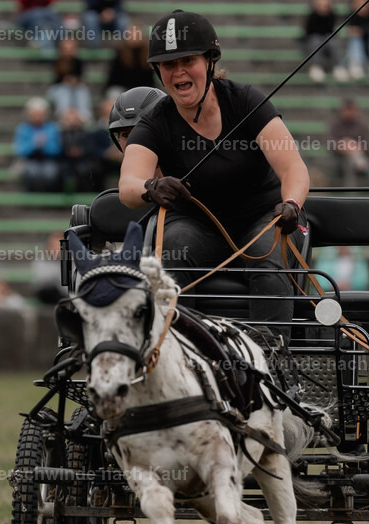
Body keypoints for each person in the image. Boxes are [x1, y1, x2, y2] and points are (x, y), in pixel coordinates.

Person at [119, 10, 310, 343]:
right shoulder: (154, 122)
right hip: (197, 226)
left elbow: (293, 167)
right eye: (167, 65)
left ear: (209, 61)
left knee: (269, 252)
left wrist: (291, 203)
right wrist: (151, 187)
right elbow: (128, 186)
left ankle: (273, 366)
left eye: (188, 60)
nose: (178, 72)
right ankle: (179, 356)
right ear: (158, 72)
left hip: (262, 218)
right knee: (173, 248)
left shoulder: (246, 101)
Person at [12, 97, 63, 192]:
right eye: (34, 114)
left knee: (51, 173)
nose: (37, 117)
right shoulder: (23, 129)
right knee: (31, 172)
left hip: (48, 160)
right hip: (29, 160)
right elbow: (19, 150)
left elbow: (56, 149)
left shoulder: (52, 128)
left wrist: (44, 145)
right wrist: (34, 144)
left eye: (40, 114)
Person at [328, 99, 369, 186]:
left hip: (362, 155)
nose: (348, 113)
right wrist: (343, 145)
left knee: (350, 159)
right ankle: (362, 166)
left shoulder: (364, 124)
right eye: (346, 110)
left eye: (351, 109)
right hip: (339, 159)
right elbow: (331, 143)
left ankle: (351, 190)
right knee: (348, 160)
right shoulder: (336, 124)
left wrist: (354, 146)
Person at [47, 38, 93, 122]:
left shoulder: (78, 62)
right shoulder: (57, 61)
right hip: (59, 89)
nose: (68, 51)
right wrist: (66, 81)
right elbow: (56, 80)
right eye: (66, 49)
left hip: (75, 88)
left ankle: (84, 116)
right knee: (64, 91)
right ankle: (63, 116)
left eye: (71, 48)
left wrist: (75, 81)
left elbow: (81, 78)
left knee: (82, 91)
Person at [302, 0, 346, 83]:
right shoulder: (312, 16)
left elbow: (330, 29)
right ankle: (316, 66)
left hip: (326, 39)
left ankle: (338, 66)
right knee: (315, 40)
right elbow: (310, 31)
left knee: (333, 42)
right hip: (315, 40)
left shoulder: (331, 16)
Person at [60, 108, 103, 191]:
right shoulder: (61, 134)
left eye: (74, 119)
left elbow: (91, 148)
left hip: (84, 161)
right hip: (66, 162)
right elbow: (58, 148)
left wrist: (81, 151)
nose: (72, 122)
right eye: (68, 120)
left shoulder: (86, 133)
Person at [105, 25, 153, 92]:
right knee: (114, 93)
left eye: (136, 35)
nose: (133, 37)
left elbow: (149, 80)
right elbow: (114, 78)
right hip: (122, 89)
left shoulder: (147, 54)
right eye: (131, 35)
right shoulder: (120, 53)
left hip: (142, 90)